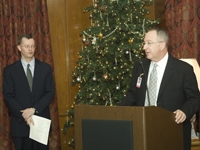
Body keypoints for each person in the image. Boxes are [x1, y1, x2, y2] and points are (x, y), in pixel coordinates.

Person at [118, 28, 200, 150]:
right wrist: (116, 110)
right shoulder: (140, 66)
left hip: (173, 131)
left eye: (149, 43)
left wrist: (184, 112)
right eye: (144, 43)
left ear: (162, 45)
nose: (144, 47)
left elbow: (195, 99)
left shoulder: (183, 70)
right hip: (143, 130)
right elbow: (133, 95)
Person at [3, 34, 55, 150]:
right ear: (19, 48)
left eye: (33, 46)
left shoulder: (45, 68)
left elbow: (50, 92)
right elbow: (8, 97)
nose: (30, 49)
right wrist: (25, 115)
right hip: (20, 125)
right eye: (27, 46)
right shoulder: (9, 71)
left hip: (40, 124)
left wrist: (33, 109)